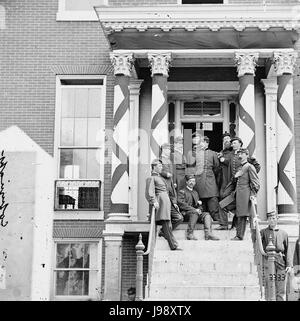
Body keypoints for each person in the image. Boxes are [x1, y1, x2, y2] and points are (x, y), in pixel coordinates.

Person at [145, 159, 181, 251]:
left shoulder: (162, 178)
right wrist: (154, 201)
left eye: (161, 165)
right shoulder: (151, 178)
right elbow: (149, 192)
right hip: (161, 202)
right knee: (166, 223)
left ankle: (162, 232)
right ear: (154, 167)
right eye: (159, 166)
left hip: (168, 202)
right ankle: (173, 245)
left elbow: (170, 191)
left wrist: (174, 203)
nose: (161, 167)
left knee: (179, 218)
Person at [259, 211, 292, 301]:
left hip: (281, 263)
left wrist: (289, 265)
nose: (272, 220)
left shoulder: (284, 233)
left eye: (274, 218)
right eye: (270, 218)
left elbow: (288, 249)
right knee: (269, 285)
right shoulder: (263, 232)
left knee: (281, 288)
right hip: (269, 263)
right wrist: (255, 224)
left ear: (277, 219)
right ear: (267, 220)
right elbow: (257, 241)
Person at [187, 135, 220, 224]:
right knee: (201, 204)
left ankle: (217, 222)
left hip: (210, 180)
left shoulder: (213, 154)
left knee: (213, 203)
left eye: (202, 142)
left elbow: (217, 168)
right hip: (198, 181)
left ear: (206, 143)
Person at [177, 174, 219, 241]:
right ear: (186, 182)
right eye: (190, 181)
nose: (192, 183)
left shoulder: (195, 192)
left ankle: (208, 234)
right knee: (194, 212)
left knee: (207, 215)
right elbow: (181, 204)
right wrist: (194, 210)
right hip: (185, 214)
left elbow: (199, 204)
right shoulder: (182, 192)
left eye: (193, 181)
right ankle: (189, 234)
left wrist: (199, 209)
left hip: (195, 213)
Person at [231, 148, 260, 241]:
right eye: (239, 153)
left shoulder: (249, 166)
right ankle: (237, 231)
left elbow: (256, 183)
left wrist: (252, 194)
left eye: (242, 153)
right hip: (238, 193)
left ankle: (239, 235)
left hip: (246, 194)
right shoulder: (240, 167)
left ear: (246, 155)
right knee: (226, 206)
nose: (240, 155)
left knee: (242, 215)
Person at [160, 143, 184, 231]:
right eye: (168, 149)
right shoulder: (160, 160)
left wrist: (174, 182)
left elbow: (173, 173)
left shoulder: (170, 161)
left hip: (171, 185)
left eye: (169, 149)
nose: (169, 151)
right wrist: (166, 174)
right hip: (163, 185)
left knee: (172, 202)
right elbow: (158, 171)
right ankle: (165, 226)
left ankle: (169, 225)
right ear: (164, 149)